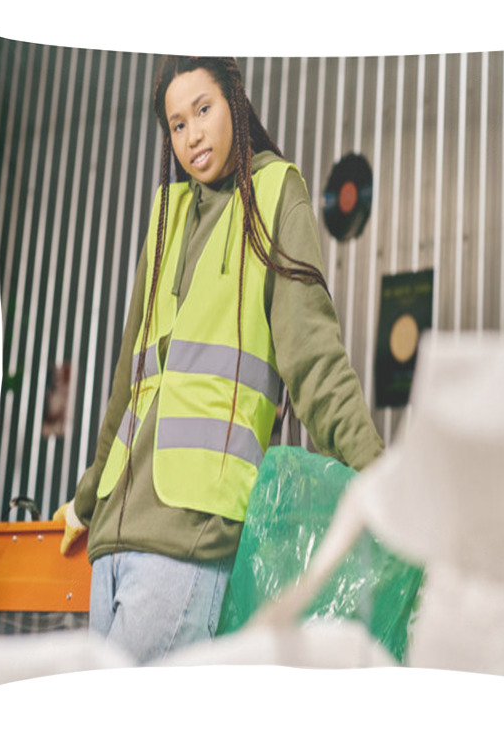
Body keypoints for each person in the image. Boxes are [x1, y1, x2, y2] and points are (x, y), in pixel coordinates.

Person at [54, 55, 383, 665]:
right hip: (113, 543)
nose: (192, 135)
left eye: (203, 110)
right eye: (177, 124)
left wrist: (377, 471)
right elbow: (128, 385)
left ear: (235, 100)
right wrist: (85, 500)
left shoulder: (275, 193)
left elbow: (314, 360)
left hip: (189, 536)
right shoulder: (166, 219)